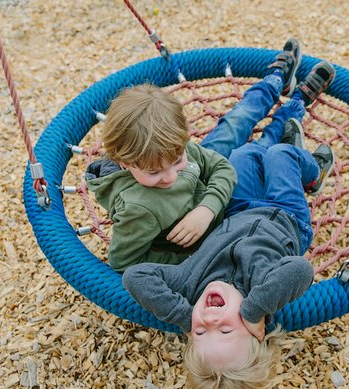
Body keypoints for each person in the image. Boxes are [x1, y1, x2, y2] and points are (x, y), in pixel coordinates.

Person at [122, 61, 337, 389]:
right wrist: (253, 310)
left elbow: (135, 277)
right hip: (286, 217)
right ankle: (312, 171)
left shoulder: (187, 286)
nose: (209, 317)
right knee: (279, 155)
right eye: (225, 329)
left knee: (241, 156)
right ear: (256, 330)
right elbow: (300, 269)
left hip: (238, 208)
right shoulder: (260, 290)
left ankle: (294, 116)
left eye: (200, 331)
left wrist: (181, 317)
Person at [85, 39, 304, 272]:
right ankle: (296, 107)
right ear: (124, 164)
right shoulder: (138, 209)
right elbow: (124, 262)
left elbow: (220, 167)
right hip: (225, 222)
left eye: (176, 161)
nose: (169, 177)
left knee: (234, 124)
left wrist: (206, 208)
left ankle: (275, 81)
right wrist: (194, 260)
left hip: (205, 185)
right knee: (258, 152)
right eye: (154, 172)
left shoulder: (171, 150)